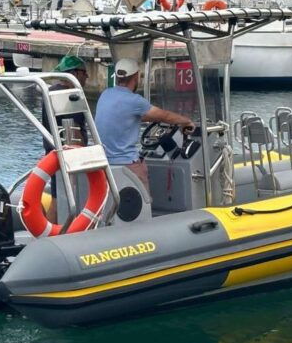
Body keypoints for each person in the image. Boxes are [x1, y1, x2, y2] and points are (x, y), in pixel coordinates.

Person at [95, 58, 195, 193]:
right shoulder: (135, 101)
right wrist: (186, 121)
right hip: (127, 163)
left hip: (106, 163)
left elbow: (127, 116)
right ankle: (148, 211)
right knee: (143, 194)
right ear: (136, 77)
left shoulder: (106, 95)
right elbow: (164, 116)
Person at [40, 55, 89, 224]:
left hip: (52, 153)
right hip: (68, 157)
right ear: (74, 73)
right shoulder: (69, 96)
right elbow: (73, 130)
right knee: (65, 200)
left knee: (56, 198)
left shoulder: (51, 91)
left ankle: (48, 236)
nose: (86, 77)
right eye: (84, 73)